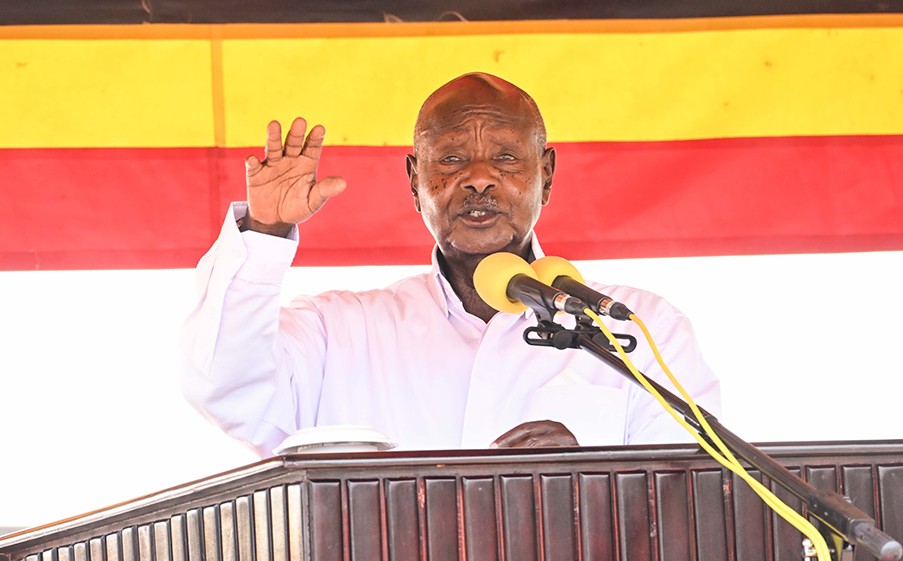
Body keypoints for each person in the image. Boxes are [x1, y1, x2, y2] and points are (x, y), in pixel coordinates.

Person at [180, 72, 720, 457]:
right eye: (452, 158)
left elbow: (696, 499)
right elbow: (225, 389)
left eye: (506, 157)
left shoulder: (638, 327)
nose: (478, 178)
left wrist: (587, 483)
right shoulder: (336, 331)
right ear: (415, 180)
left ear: (546, 174)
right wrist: (266, 232)